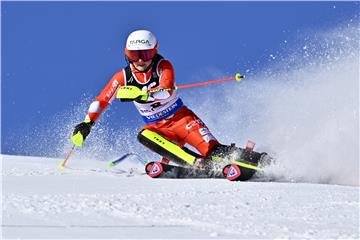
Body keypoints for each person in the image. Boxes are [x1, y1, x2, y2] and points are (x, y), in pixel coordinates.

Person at [71, 30, 241, 168]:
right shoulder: (122, 77)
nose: (139, 60)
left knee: (213, 150)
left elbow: (166, 89)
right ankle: (196, 164)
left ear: (154, 52)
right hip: (159, 129)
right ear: (127, 54)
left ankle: (255, 159)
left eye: (145, 54)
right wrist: (87, 124)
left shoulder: (163, 66)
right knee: (144, 135)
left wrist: (144, 94)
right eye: (134, 54)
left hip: (183, 120)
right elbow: (102, 100)